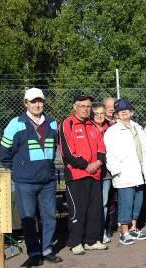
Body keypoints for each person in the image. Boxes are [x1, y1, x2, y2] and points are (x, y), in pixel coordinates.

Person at [0, 87, 62, 266]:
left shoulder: (51, 123)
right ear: (26, 103)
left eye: (40, 100)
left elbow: (55, 148)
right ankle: (34, 252)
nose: (37, 104)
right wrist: (18, 169)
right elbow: (5, 152)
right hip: (25, 181)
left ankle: (47, 249)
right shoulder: (15, 123)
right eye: (33, 101)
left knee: (49, 216)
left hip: (48, 179)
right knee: (28, 218)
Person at [59, 95, 109, 254]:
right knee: (78, 210)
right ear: (75, 106)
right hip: (77, 175)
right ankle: (75, 242)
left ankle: (92, 240)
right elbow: (67, 152)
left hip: (95, 174)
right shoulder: (67, 124)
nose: (86, 109)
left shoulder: (93, 125)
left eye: (88, 106)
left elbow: (102, 148)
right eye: (82, 106)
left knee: (94, 209)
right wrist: (86, 165)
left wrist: (98, 163)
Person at [104, 99, 146, 245]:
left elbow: (145, 149)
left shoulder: (137, 127)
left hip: (139, 171)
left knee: (138, 201)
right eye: (121, 111)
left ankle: (134, 228)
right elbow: (109, 154)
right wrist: (117, 171)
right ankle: (124, 232)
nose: (124, 112)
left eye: (126, 109)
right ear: (117, 114)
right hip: (124, 173)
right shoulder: (113, 131)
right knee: (126, 202)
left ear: (131, 111)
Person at [91, 103, 114, 243]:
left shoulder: (110, 127)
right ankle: (92, 231)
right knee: (93, 203)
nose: (99, 116)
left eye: (101, 113)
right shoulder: (88, 127)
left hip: (106, 172)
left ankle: (103, 231)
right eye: (96, 113)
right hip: (92, 170)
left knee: (104, 203)